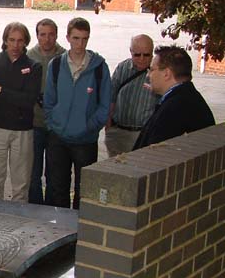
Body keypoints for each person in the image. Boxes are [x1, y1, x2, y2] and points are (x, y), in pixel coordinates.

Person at [44, 17, 111, 209]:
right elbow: (48, 100)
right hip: (59, 137)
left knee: (84, 193)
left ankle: (80, 235)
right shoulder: (56, 65)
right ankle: (61, 233)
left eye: (84, 39)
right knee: (58, 189)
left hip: (85, 140)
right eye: (76, 38)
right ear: (67, 38)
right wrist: (54, 124)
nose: (80, 44)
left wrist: (89, 127)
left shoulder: (99, 67)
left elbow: (104, 105)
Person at [0, 22, 41, 201]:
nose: (15, 45)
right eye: (11, 40)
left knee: (21, 184)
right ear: (5, 40)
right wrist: (16, 96)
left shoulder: (34, 66)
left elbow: (29, 100)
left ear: (26, 42)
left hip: (23, 130)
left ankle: (18, 221)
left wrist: (1, 90)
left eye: (20, 41)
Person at [133, 46, 215, 150]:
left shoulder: (176, 108)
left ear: (167, 74)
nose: (148, 75)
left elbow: (155, 154)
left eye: (152, 69)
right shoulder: (187, 97)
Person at [27, 18, 65, 204]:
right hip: (34, 122)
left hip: (55, 125)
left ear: (56, 35)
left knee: (54, 172)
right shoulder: (29, 56)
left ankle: (52, 209)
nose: (47, 39)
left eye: (51, 35)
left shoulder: (65, 57)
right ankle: (35, 208)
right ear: (37, 36)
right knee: (33, 172)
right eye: (43, 34)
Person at [105, 34, 158, 156]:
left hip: (143, 135)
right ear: (131, 51)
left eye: (146, 55)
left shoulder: (159, 72)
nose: (142, 59)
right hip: (118, 133)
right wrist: (109, 127)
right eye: (137, 55)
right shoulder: (123, 68)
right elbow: (111, 97)